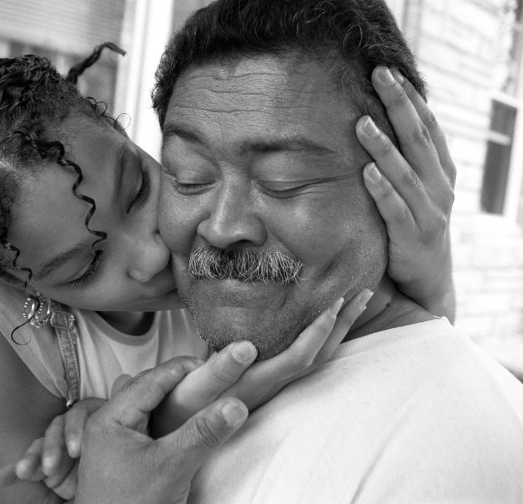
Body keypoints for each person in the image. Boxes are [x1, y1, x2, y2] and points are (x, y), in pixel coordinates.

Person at [0, 35, 455, 503]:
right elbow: (36, 489)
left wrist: (432, 273)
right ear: (19, 284)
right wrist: (156, 422)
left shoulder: (217, 218)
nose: (149, 255)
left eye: (140, 188)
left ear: (123, 133)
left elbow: (404, 363)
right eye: (83, 268)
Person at [71, 0, 523, 502]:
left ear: (402, 181)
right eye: (188, 175)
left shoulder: (450, 456)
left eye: (283, 181)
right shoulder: (148, 415)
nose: (222, 227)